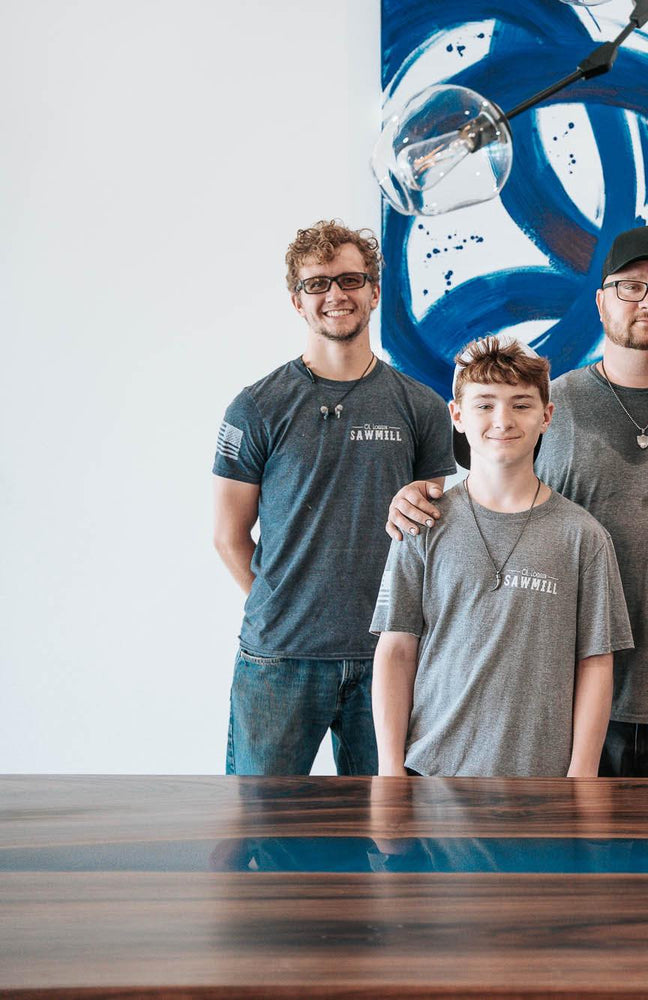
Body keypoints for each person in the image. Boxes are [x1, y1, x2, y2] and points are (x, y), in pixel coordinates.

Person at [386, 226, 648, 778]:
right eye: (631, 286)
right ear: (601, 300)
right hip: (562, 714)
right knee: (577, 866)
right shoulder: (545, 408)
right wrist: (416, 493)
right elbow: (485, 501)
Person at [211, 220, 454, 775]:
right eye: (317, 284)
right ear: (297, 301)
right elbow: (228, 537)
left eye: (350, 280)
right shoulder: (255, 408)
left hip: (389, 657)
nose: (335, 295)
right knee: (263, 833)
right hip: (279, 659)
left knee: (389, 839)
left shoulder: (419, 406)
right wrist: (285, 606)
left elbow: (431, 531)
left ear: (373, 290)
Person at [369, 336, 633, 777]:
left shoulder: (583, 538)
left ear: (547, 416)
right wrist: (389, 772)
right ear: (457, 416)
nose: (503, 420)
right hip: (430, 774)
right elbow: (396, 649)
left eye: (521, 404)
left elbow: (596, 662)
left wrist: (582, 775)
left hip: (542, 783)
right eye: (485, 404)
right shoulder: (421, 526)